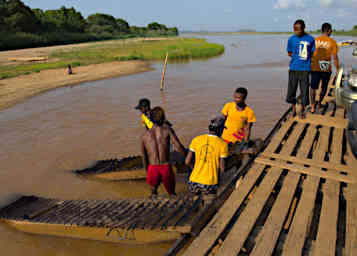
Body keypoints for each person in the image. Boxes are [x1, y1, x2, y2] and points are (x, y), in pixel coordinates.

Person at [141, 106, 186, 197]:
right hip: (165, 167)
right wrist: (187, 158)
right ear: (163, 118)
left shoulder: (144, 136)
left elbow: (144, 157)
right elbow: (178, 146)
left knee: (153, 194)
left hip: (153, 168)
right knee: (172, 194)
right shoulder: (167, 130)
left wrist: (147, 171)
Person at [185, 118, 229, 205]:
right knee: (208, 208)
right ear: (220, 130)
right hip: (210, 183)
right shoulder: (223, 144)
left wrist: (194, 168)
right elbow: (222, 168)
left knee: (195, 205)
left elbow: (187, 161)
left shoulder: (196, 140)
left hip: (194, 181)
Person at [286, 19, 315, 119]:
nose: (296, 31)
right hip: (293, 68)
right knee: (291, 90)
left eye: (298, 29)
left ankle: (302, 109)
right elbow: (289, 52)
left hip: (305, 69)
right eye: (294, 29)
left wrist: (304, 59)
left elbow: (312, 52)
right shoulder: (291, 39)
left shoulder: (310, 39)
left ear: (303, 28)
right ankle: (293, 108)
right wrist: (297, 58)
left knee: (304, 91)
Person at [310, 23, 339, 113]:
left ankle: (312, 106)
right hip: (325, 67)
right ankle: (319, 104)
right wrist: (337, 70)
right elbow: (335, 57)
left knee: (313, 87)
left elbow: (309, 54)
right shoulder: (332, 42)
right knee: (324, 87)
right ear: (329, 30)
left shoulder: (314, 40)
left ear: (322, 30)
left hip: (314, 67)